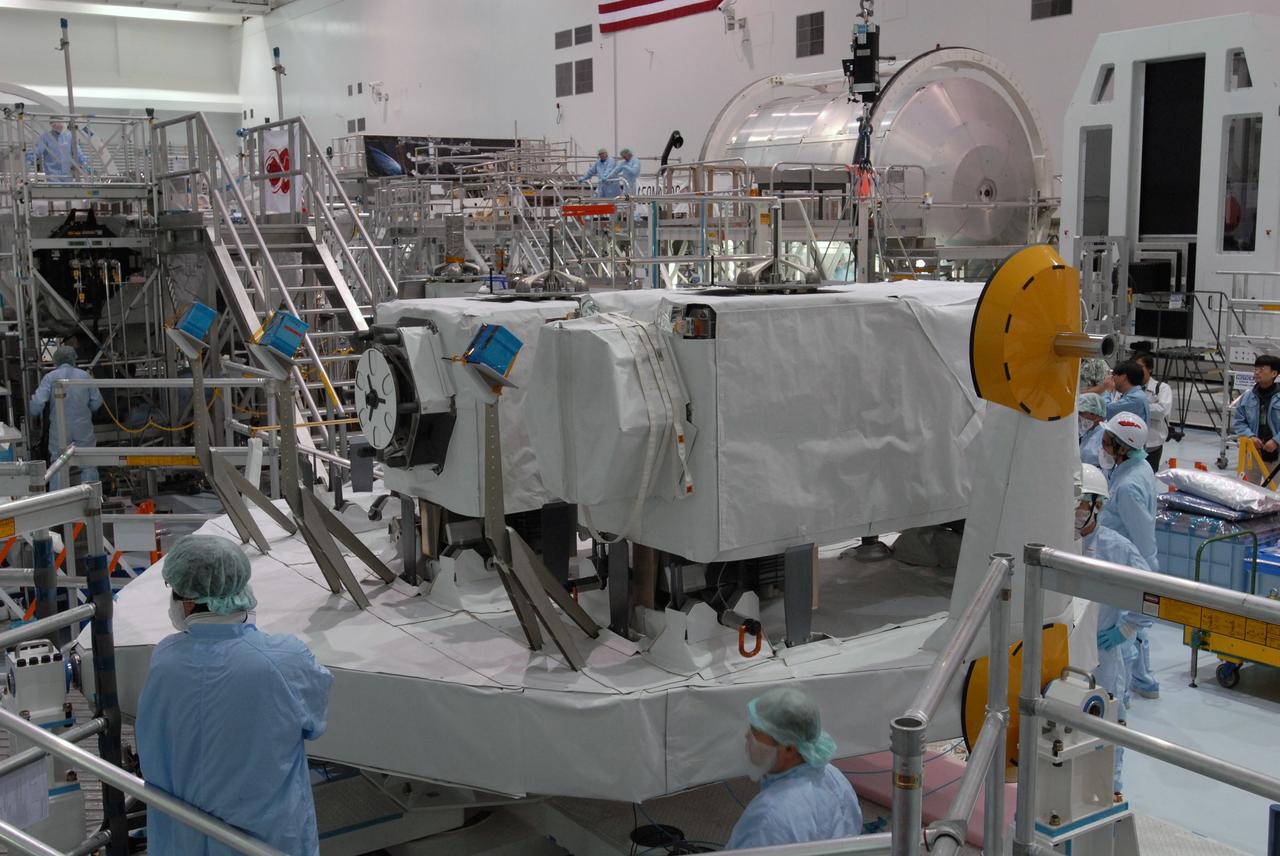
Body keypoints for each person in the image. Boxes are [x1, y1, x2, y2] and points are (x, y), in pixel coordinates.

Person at [136, 534, 334, 855]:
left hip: (180, 842)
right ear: (241, 589)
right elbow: (315, 722)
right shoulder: (285, 660)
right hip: (261, 843)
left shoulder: (165, 659)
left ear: (186, 602)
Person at [1075, 463, 1148, 799]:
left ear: (1098, 506)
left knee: (1107, 725)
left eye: (1081, 503)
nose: (1075, 511)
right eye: (1072, 502)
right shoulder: (1055, 540)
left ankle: (1109, 793)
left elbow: (1151, 593)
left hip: (1103, 655)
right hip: (1063, 652)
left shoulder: (1117, 549)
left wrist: (1127, 628)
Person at [726, 687, 862, 849]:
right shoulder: (833, 776)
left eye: (756, 733)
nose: (747, 736)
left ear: (789, 749)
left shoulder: (768, 818)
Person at [1096, 411, 1162, 701]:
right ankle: (1143, 680)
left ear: (1122, 447)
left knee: (1122, 634)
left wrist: (1148, 584)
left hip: (1125, 565)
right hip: (1123, 560)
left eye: (1108, 441)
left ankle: (1120, 700)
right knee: (1130, 628)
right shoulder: (1139, 466)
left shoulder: (1128, 488)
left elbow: (1143, 538)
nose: (1103, 446)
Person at [28, 345, 102, 485]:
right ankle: (92, 499)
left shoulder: (50, 377)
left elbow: (36, 405)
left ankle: (58, 501)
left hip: (59, 427)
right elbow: (97, 402)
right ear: (74, 359)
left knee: (58, 464)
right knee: (88, 463)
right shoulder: (85, 376)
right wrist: (86, 410)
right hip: (83, 426)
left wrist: (32, 413)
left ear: (56, 360)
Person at [1230, 353, 1280, 469]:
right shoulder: (1247, 397)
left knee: (1270, 487)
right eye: (1255, 369)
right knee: (1248, 486)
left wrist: (1276, 441)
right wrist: (1250, 436)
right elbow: (1239, 422)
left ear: (1274, 373)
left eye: (1262, 369)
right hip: (1252, 452)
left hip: (1277, 454)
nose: (1257, 372)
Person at [1134, 353, 1173, 472]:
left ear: (1150, 369)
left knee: (1149, 475)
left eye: (1140, 367)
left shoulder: (1162, 388)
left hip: (1152, 444)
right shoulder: (1130, 387)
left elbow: (1161, 411)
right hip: (1131, 443)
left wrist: (1136, 406)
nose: (1137, 371)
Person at [1078, 392, 1106, 468]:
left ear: (1095, 413)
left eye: (1081, 412)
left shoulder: (1105, 435)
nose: (1078, 417)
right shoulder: (1088, 432)